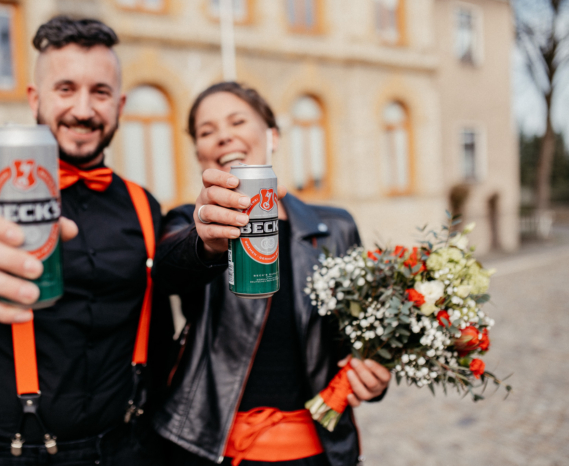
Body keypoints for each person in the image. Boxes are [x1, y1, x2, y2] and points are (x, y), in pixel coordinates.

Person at [0, 16, 171, 466]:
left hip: (127, 445)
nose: (83, 110)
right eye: (65, 89)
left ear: (120, 103)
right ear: (35, 97)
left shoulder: (144, 204)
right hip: (12, 450)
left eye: (100, 93)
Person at [152, 82, 391, 466]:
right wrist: (206, 240)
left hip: (316, 450)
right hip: (210, 450)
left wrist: (374, 377)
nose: (223, 135)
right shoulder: (188, 221)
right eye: (206, 131)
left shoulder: (337, 226)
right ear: (199, 153)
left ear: (272, 135)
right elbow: (166, 273)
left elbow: (357, 341)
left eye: (237, 121)